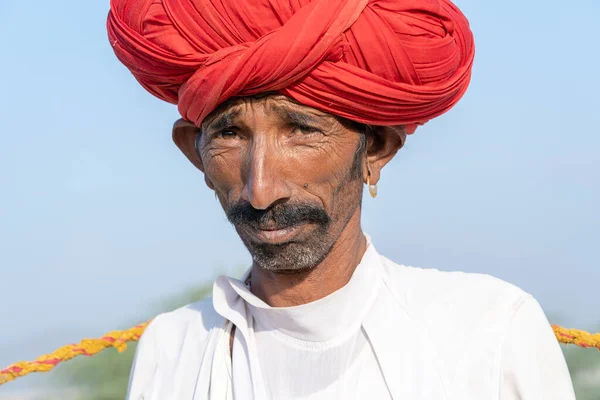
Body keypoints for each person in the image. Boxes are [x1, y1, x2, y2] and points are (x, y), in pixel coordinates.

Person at [107, 0, 576, 398]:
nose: (261, 189)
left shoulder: (490, 333)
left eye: (301, 131)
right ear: (196, 155)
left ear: (375, 150)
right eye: (230, 133)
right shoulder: (172, 350)